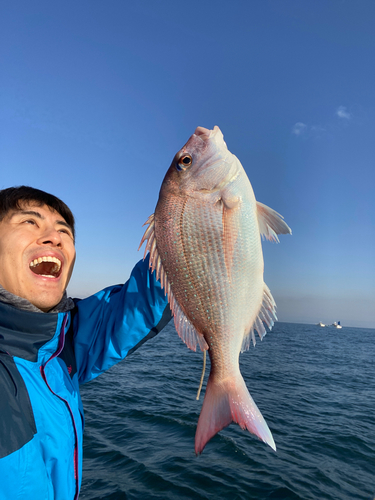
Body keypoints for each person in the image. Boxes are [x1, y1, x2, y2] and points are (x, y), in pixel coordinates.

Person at [0, 186, 171, 500]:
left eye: (64, 230)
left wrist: (186, 236)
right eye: (30, 223)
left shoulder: (61, 340)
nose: (55, 237)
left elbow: (136, 306)